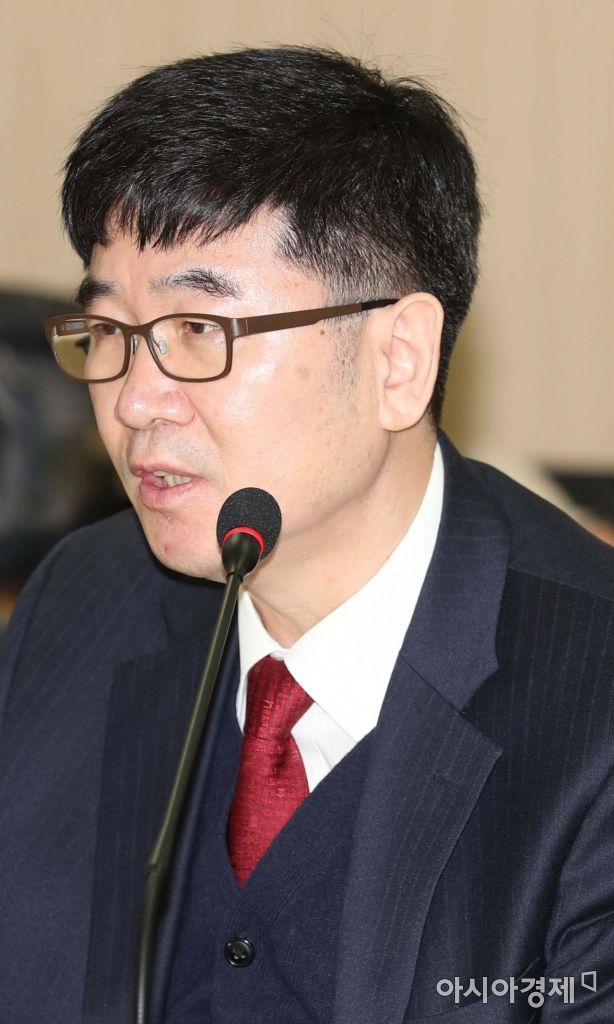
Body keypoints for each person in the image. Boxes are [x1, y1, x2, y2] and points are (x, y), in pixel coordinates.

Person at [1, 45, 613, 1024]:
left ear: (397, 359)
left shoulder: (590, 702)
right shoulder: (84, 599)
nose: (135, 400)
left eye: (199, 330)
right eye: (110, 331)